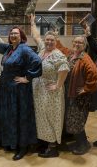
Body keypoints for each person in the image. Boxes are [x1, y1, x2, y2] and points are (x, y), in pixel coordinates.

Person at [0, 25, 42, 160]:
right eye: (11, 33)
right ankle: (11, 142)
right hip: (6, 89)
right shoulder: (8, 48)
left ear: (21, 36)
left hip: (19, 91)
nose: (13, 35)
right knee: (9, 116)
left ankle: (23, 146)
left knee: (20, 117)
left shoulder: (24, 49)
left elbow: (37, 61)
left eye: (16, 34)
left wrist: (27, 78)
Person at [30, 14, 69, 158]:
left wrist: (58, 85)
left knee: (51, 117)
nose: (49, 42)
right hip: (40, 91)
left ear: (56, 41)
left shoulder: (57, 54)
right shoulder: (42, 50)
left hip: (51, 92)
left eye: (52, 40)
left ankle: (53, 147)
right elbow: (35, 37)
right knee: (42, 117)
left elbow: (64, 69)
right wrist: (32, 22)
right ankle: (45, 143)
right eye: (47, 39)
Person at [56, 35, 97, 155]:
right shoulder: (70, 54)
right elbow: (61, 48)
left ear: (84, 45)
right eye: (75, 42)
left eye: (80, 42)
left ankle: (84, 144)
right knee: (73, 119)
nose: (77, 44)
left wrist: (87, 88)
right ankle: (79, 142)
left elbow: (94, 73)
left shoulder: (84, 58)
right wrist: (55, 38)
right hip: (71, 93)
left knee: (77, 120)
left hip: (79, 97)